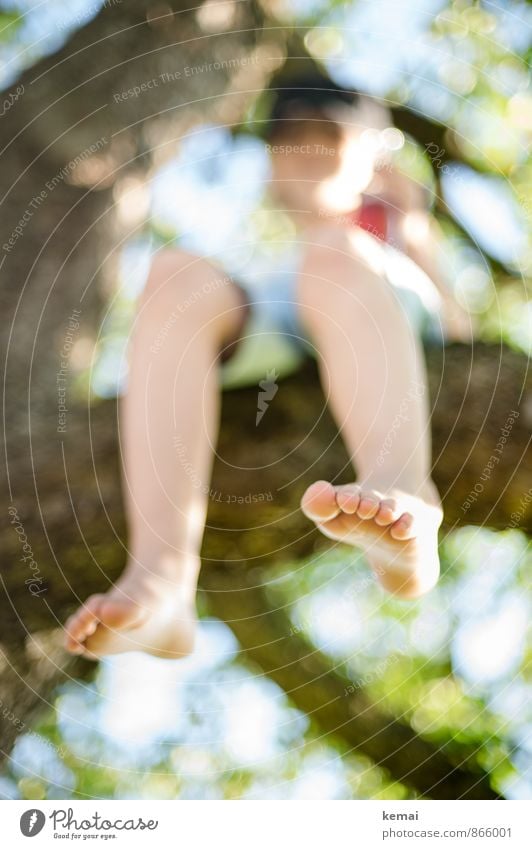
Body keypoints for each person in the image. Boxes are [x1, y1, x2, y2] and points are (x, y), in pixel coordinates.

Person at [64, 74, 470, 659]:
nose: (306, 155)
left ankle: (404, 492)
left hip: (370, 296)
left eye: (329, 140)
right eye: (289, 142)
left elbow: (458, 332)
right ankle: (161, 580)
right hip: (287, 301)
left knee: (334, 250)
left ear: (375, 161)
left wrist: (412, 224)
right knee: (174, 274)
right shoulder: (275, 264)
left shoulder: (389, 233)